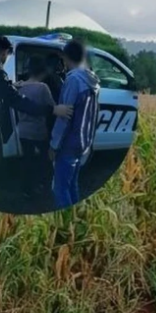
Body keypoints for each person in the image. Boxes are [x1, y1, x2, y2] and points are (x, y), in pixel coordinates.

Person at [0, 36, 73, 207]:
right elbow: (15, 100)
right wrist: (52, 109)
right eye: (7, 55)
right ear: (4, 53)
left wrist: (12, 85)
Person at [50, 40, 100, 209]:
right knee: (72, 184)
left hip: (68, 143)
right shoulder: (92, 81)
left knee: (60, 188)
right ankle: (76, 217)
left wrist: (54, 145)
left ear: (66, 57)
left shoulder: (73, 81)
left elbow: (64, 116)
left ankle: (66, 221)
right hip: (83, 141)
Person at [16, 56, 55, 199]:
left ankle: (25, 189)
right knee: (43, 160)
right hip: (38, 130)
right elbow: (52, 107)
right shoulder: (42, 87)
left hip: (22, 130)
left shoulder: (19, 87)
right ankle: (41, 186)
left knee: (27, 159)